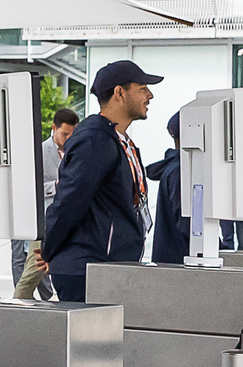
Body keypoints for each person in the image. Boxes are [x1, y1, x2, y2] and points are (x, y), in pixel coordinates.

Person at [42, 62, 160, 302]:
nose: (150, 95)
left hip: (106, 266)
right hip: (89, 268)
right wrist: (48, 249)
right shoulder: (95, 140)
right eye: (142, 88)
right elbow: (69, 201)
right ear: (119, 92)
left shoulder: (117, 139)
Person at [16, 107, 79, 299]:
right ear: (54, 128)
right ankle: (18, 307)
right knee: (32, 272)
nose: (68, 139)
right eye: (65, 134)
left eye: (72, 134)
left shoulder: (77, 150)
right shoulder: (40, 152)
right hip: (44, 220)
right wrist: (57, 186)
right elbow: (30, 188)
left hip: (68, 221)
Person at [148, 110, 191, 263]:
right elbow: (186, 222)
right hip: (181, 262)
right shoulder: (180, 171)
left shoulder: (173, 168)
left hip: (170, 259)